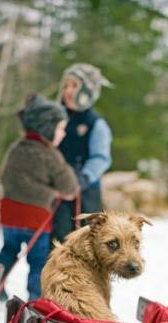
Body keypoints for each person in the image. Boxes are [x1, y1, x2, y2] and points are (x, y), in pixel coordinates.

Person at [0, 94, 78, 301]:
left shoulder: (16, 149)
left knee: (9, 250)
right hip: (35, 217)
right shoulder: (50, 155)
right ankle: (36, 298)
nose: (63, 133)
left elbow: (6, 177)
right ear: (47, 128)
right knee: (38, 259)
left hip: (10, 214)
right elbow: (69, 187)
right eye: (60, 128)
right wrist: (54, 193)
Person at [52, 63, 113, 242]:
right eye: (66, 86)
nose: (68, 91)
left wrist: (84, 178)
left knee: (81, 240)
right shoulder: (56, 118)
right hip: (55, 190)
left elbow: (101, 158)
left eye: (74, 86)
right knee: (53, 242)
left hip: (83, 193)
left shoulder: (95, 124)